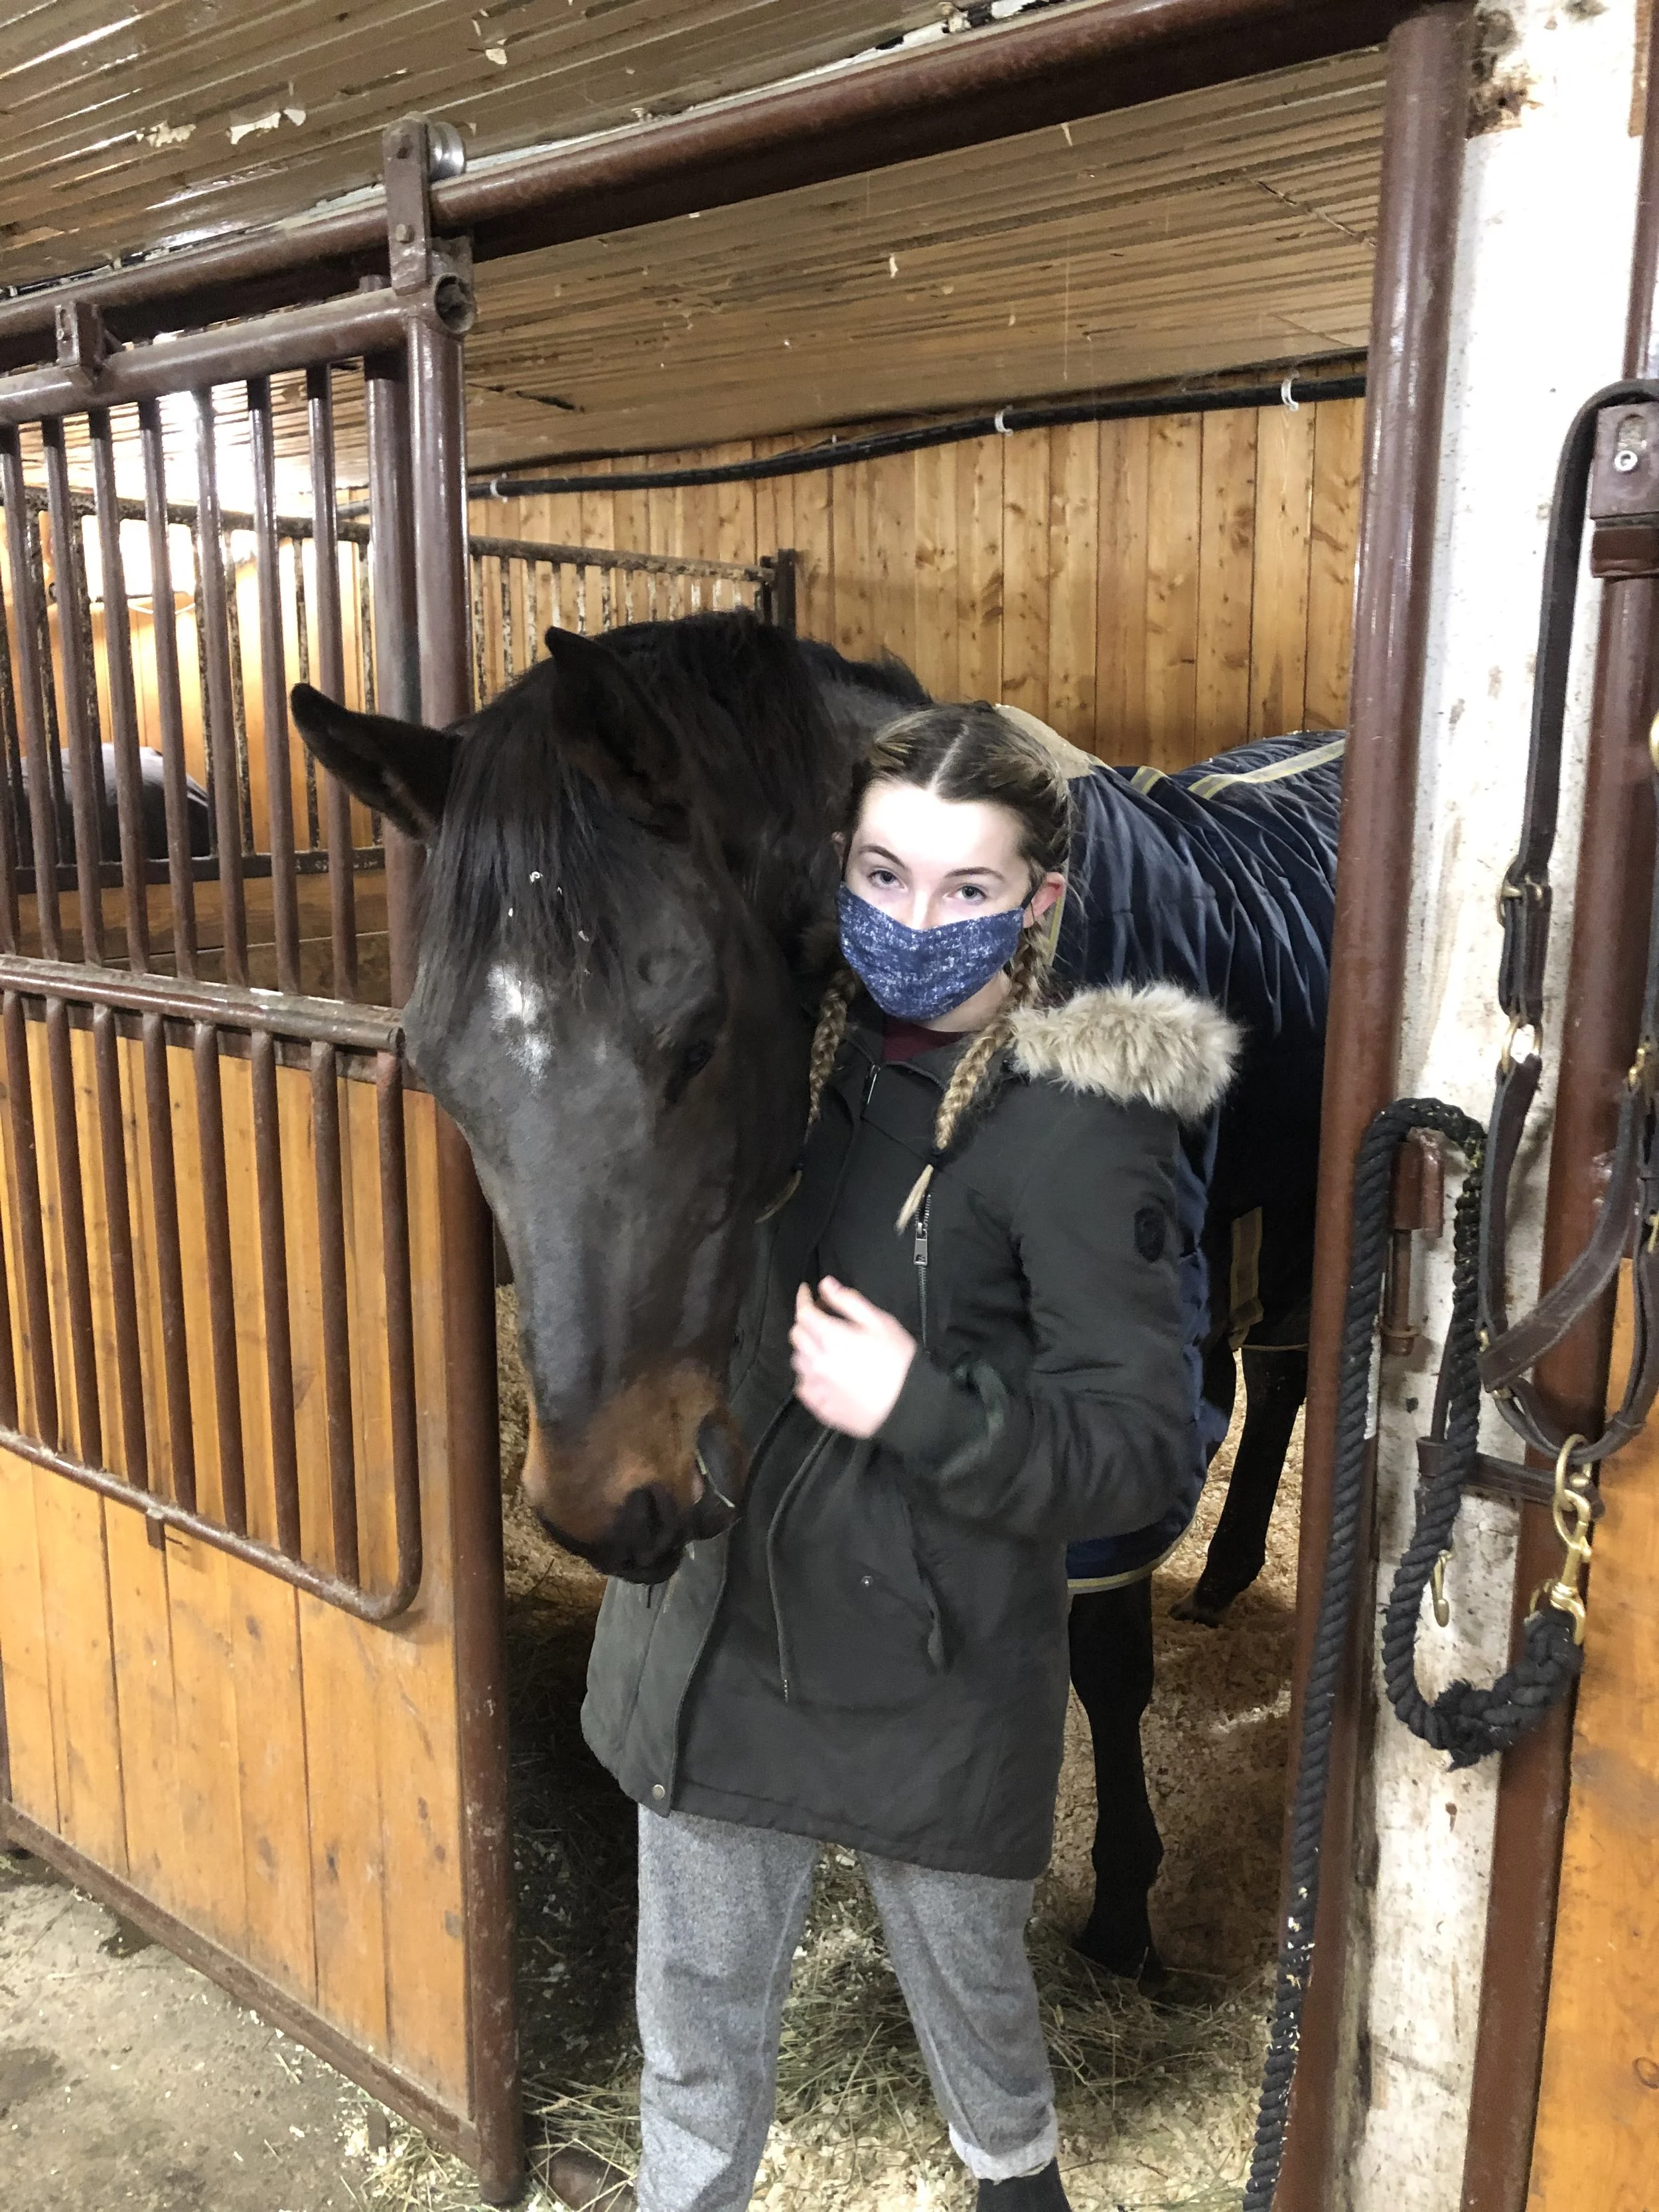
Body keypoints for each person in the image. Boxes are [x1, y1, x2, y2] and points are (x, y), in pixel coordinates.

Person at [551, 704, 1238, 2212]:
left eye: (965, 887)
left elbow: (1139, 1449)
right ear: (838, 868)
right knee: (692, 2035)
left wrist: (920, 1406)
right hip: (721, 1630)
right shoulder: (775, 1064)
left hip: (923, 1670)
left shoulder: (1080, 1132)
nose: (914, 923)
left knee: (979, 2041)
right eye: (883, 875)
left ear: (1039, 901)